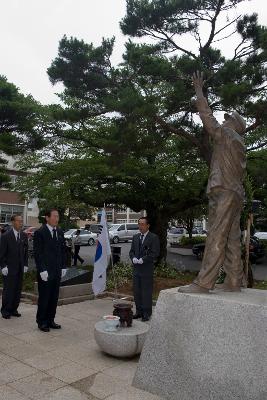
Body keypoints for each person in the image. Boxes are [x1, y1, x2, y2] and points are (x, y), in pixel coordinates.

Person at [179, 71, 246, 294]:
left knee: (216, 234)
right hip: (236, 193)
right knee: (232, 238)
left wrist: (199, 91)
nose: (225, 119)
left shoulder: (227, 135)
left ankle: (204, 282)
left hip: (224, 191)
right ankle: (234, 280)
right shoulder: (239, 145)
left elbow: (208, 118)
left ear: (234, 124)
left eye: (228, 118)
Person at [34, 209, 67, 332]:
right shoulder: (40, 232)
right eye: (54, 216)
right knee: (45, 297)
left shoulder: (59, 231)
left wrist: (64, 266)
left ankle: (51, 319)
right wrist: (42, 269)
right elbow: (38, 253)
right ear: (47, 218)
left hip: (57, 271)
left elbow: (63, 251)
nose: (57, 218)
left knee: (54, 297)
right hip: (46, 272)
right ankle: (42, 321)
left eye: (58, 216)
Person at [129, 217, 160, 321]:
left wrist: (144, 259)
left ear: (148, 225)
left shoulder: (153, 237)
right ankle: (139, 311)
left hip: (146, 269)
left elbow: (155, 253)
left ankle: (146, 313)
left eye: (142, 224)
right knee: (137, 291)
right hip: (136, 269)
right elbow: (131, 251)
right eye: (139, 224)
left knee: (146, 292)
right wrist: (133, 257)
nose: (140, 226)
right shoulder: (135, 237)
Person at [0, 214, 28, 319]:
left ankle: (14, 309)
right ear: (13, 222)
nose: (21, 223)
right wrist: (3, 266)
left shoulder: (24, 236)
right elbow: (1, 254)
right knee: (8, 290)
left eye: (21, 221)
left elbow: (25, 253)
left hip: (20, 268)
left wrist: (25, 264)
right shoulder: (6, 236)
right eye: (18, 221)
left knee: (17, 290)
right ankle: (5, 310)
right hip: (9, 268)